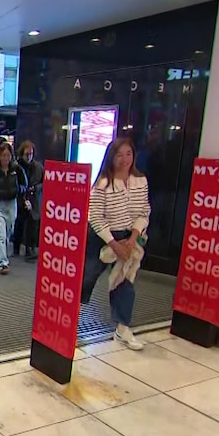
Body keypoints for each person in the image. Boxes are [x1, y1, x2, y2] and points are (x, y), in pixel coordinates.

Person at [81, 138, 151, 351]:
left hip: (131, 238)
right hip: (103, 237)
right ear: (111, 157)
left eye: (128, 154)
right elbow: (95, 217)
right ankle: (67, 317)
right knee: (87, 275)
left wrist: (132, 238)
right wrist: (113, 243)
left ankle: (122, 328)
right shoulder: (102, 184)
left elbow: (144, 211)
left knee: (125, 282)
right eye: (119, 154)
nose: (124, 159)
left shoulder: (140, 181)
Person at [0, 143, 27, 274]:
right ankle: (3, 263)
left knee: (6, 233)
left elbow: (24, 184)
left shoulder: (17, 169)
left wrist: (18, 190)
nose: (5, 158)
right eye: (3, 155)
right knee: (0, 234)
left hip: (11, 204)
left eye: (8, 155)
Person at [17, 141, 44, 262]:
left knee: (33, 224)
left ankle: (30, 248)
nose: (29, 156)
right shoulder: (17, 166)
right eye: (27, 154)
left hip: (34, 198)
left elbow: (44, 182)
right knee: (20, 223)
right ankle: (17, 247)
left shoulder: (39, 167)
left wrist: (36, 188)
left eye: (31, 154)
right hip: (20, 197)